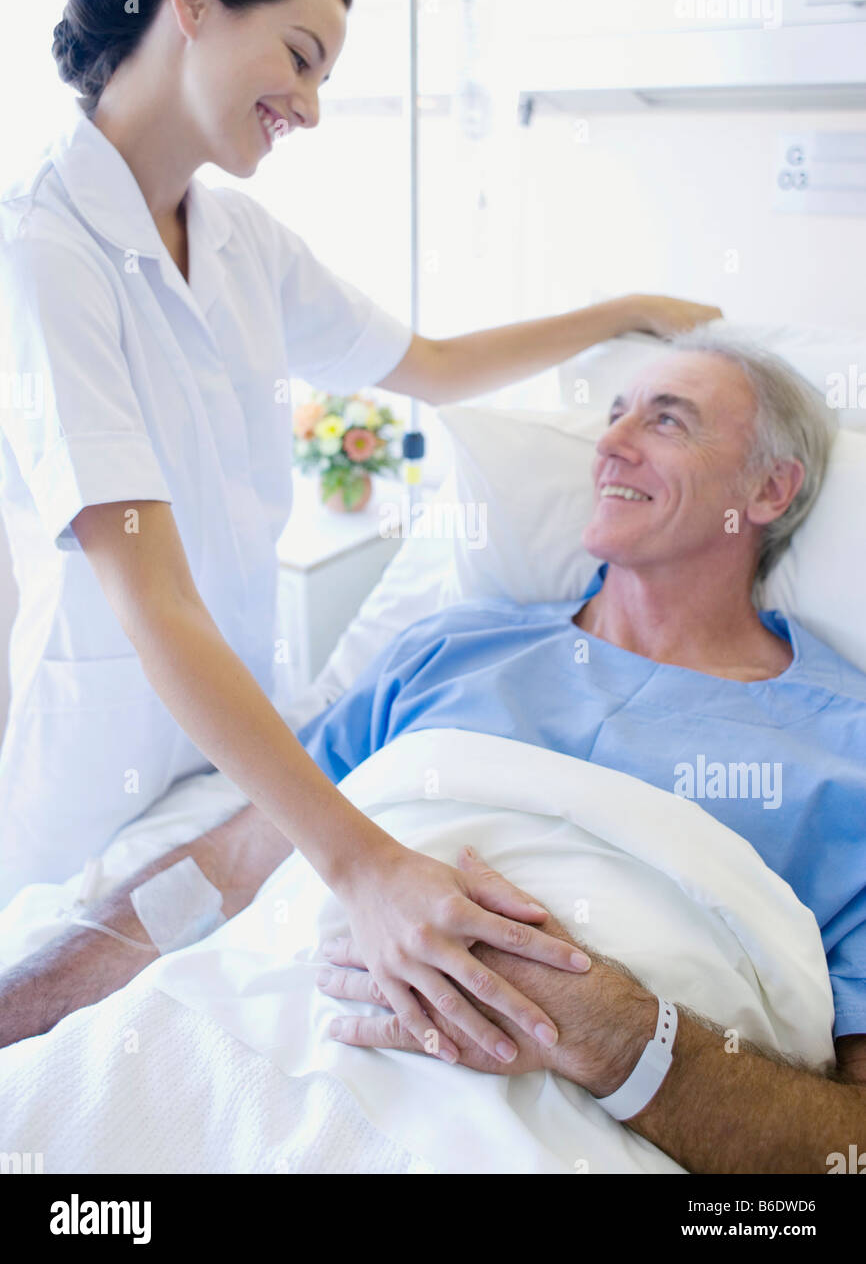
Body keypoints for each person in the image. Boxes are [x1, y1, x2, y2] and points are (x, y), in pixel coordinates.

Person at [0, 0, 720, 1063]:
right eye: (299, 55)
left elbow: (428, 365)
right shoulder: (40, 248)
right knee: (65, 1030)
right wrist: (363, 864)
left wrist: (620, 310)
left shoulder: (237, 241)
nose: (313, 106)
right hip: (91, 764)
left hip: (226, 751)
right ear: (191, 1)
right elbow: (153, 601)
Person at [2, 335, 863, 1173]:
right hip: (242, 1041)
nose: (609, 446)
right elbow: (227, 866)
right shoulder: (450, 649)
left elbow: (848, 1146)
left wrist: (613, 1032)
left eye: (666, 422)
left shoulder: (843, 752)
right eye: (613, 415)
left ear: (769, 490)